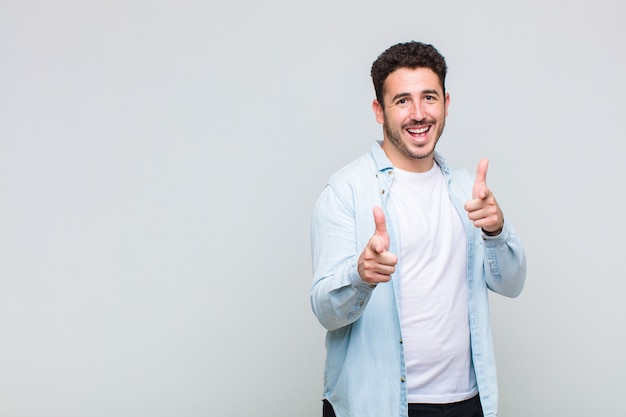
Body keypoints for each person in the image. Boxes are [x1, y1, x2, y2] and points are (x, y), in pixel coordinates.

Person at [310, 41, 527, 417]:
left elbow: (512, 284)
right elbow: (326, 311)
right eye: (402, 101)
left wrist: (497, 231)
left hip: (466, 401)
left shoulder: (466, 189)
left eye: (429, 97)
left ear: (446, 102)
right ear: (380, 111)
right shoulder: (346, 190)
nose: (418, 114)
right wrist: (360, 276)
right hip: (380, 404)